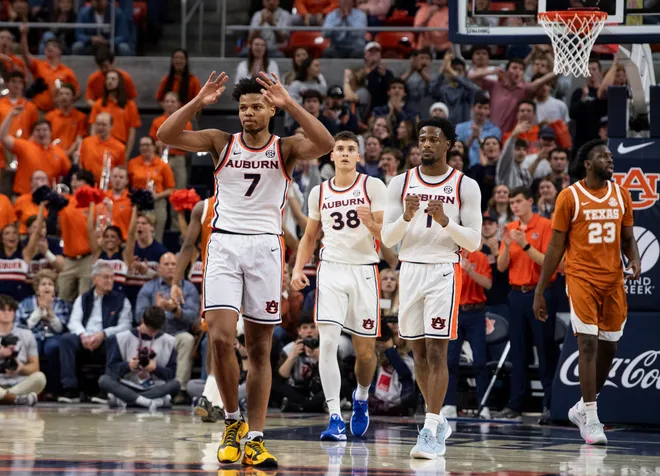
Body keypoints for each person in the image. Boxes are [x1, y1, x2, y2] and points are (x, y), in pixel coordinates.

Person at [158, 72, 334, 468]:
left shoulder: (285, 147)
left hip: (266, 249)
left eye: (256, 106)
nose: (248, 113)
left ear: (271, 109)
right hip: (223, 243)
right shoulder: (222, 141)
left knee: (259, 348)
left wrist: (292, 104)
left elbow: (324, 144)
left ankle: (255, 436)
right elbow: (168, 135)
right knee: (220, 339)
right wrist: (197, 102)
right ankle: (232, 423)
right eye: (243, 107)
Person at [381, 118, 482, 459]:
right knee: (419, 353)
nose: (425, 144)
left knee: (438, 352)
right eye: (421, 138)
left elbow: (475, 241)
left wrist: (445, 222)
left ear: (448, 144)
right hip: (409, 268)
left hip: (443, 269)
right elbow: (388, 239)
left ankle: (429, 426)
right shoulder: (399, 182)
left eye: (433, 139)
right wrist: (407, 216)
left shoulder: (464, 185)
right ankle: (435, 419)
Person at [533, 139, 641, 445]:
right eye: (603, 157)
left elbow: (628, 237)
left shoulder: (621, 194)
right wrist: (541, 289)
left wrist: (634, 257)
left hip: (613, 280)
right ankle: (592, 417)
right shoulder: (569, 197)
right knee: (588, 345)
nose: (610, 160)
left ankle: (581, 407)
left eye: (611, 156)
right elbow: (555, 247)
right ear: (587, 164)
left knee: (610, 348)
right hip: (581, 277)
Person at [291, 131, 387, 440]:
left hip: (365, 270)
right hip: (330, 267)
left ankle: (360, 396)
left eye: (350, 149)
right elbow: (309, 236)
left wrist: (371, 223)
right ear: (331, 156)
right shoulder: (319, 192)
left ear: (359, 156)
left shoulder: (373, 186)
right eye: (339, 149)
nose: (344, 153)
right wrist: (297, 267)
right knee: (328, 342)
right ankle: (334, 416)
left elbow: (386, 235)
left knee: (366, 353)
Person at [494, 187, 558, 422]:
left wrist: (526, 245)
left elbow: (550, 262)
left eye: (518, 201)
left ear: (530, 201)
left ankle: (549, 404)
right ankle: (516, 404)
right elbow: (501, 267)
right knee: (518, 352)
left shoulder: (545, 226)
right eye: (512, 202)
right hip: (516, 294)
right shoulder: (510, 229)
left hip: (540, 293)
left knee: (545, 350)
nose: (514, 206)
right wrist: (509, 245)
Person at [171, 197, 224, 422]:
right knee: (215, 339)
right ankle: (212, 398)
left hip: (246, 276)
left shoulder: (251, 200)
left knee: (233, 343)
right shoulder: (203, 208)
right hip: (215, 278)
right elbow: (187, 246)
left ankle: (216, 399)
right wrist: (175, 282)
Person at [58, 261, 133, 403]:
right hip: (85, 338)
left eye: (112, 277)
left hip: (106, 340)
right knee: (66, 339)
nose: (110, 281)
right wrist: (83, 335)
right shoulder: (83, 298)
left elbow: (126, 325)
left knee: (115, 340)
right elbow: (74, 321)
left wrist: (103, 334)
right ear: (95, 279)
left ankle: (105, 390)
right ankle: (71, 389)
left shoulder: (121, 300)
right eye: (105, 277)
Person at [99, 306, 180, 410]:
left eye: (156, 330)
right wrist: (128, 366)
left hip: (155, 386)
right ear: (142, 320)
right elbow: (111, 369)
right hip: (128, 384)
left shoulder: (169, 341)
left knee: (175, 384)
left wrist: (155, 368)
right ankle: (150, 402)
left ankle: (127, 401)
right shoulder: (121, 338)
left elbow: (171, 374)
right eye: (150, 329)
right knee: (104, 380)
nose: (153, 333)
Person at [0, 294, 45, 406]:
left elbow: (35, 367)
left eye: (10, 310)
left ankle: (6, 397)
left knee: (40, 378)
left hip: (20, 382)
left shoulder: (27, 334)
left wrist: (21, 368)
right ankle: (15, 399)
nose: (6, 313)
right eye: (2, 309)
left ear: (15, 312)